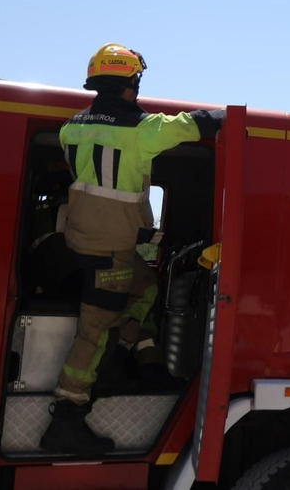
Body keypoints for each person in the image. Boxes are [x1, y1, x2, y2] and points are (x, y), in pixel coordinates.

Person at [39, 43, 225, 456]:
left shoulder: (71, 128)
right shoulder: (142, 130)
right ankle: (70, 411)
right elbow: (194, 126)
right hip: (112, 249)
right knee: (95, 326)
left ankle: (147, 364)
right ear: (130, 84)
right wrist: (229, 115)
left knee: (146, 286)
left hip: (82, 240)